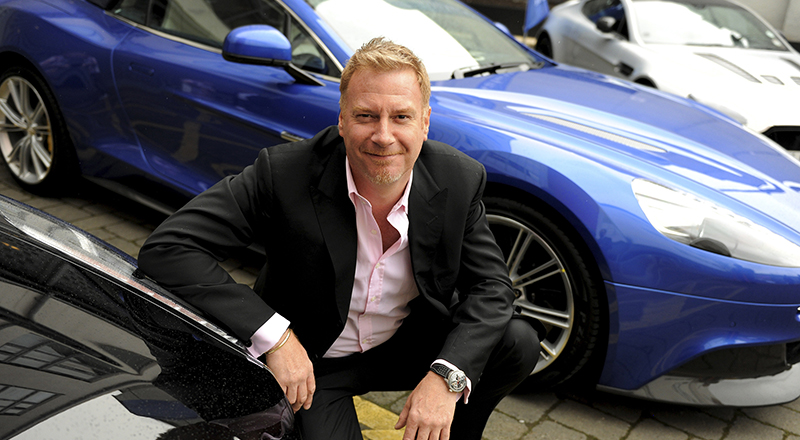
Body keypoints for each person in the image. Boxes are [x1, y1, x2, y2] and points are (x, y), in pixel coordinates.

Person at [138, 37, 540, 440]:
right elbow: (169, 247)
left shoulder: (459, 179)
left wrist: (447, 376)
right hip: (315, 361)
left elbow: (491, 287)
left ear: (425, 122)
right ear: (342, 120)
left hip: (406, 343)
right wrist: (275, 336)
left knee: (516, 341)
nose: (384, 136)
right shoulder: (284, 173)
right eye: (366, 116)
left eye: (401, 117)